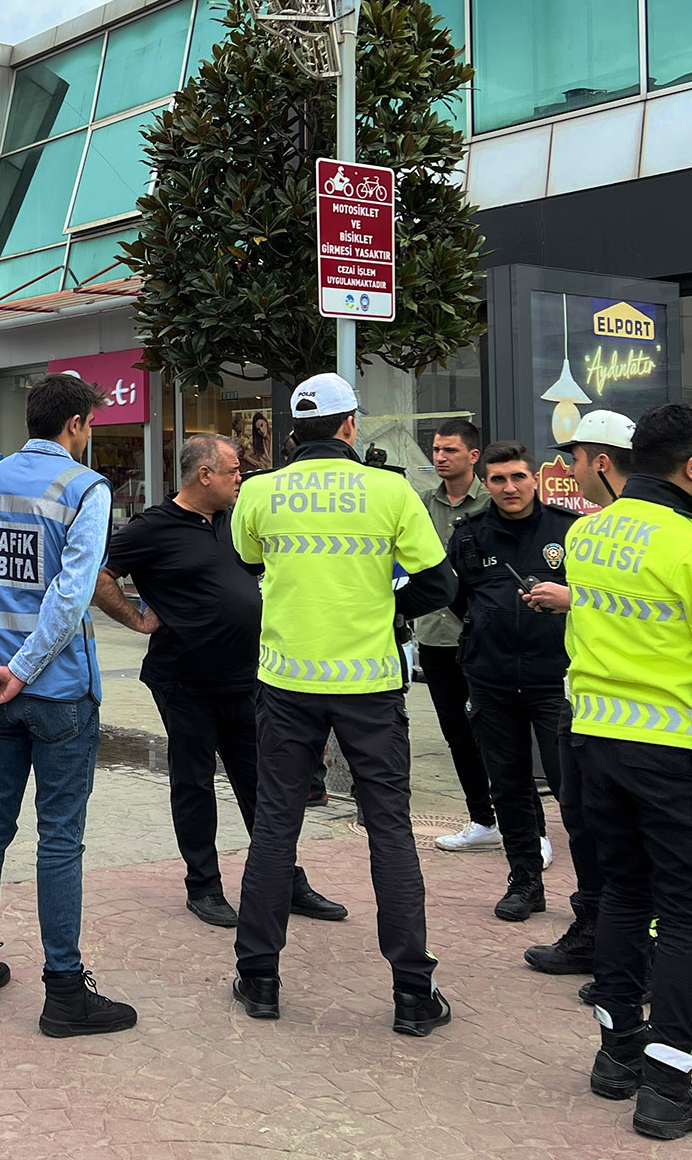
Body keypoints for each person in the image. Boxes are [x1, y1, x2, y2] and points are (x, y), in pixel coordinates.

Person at [556, 403, 692, 1140]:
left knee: (624, 892)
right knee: (688, 912)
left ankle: (617, 1056)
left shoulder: (588, 532)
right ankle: (668, 1087)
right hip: (675, 753)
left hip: (595, 744)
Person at [230, 372, 458, 1037]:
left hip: (286, 682)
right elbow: (439, 582)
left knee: (275, 825)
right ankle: (414, 992)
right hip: (370, 686)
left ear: (294, 432)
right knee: (388, 827)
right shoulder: (389, 490)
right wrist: (388, 610)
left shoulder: (260, 492)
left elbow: (247, 564)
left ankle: (261, 978)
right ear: (351, 425)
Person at [0, 373, 137, 1039]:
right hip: (53, 692)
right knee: (59, 837)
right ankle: (64, 989)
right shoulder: (86, 488)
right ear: (77, 424)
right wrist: (23, 671)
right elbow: (70, 593)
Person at [94, 433, 346, 929]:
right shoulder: (152, 526)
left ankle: (285, 879)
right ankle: (203, 885)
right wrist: (137, 620)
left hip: (247, 676)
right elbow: (100, 577)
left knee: (263, 783)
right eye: (233, 471)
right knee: (194, 782)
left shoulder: (238, 521)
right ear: (203, 474)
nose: (239, 479)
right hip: (184, 679)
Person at [446, 441, 579, 924]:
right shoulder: (469, 534)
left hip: (554, 680)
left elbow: (593, 597)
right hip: (491, 678)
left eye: (518, 477)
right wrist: (491, 623)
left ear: (535, 479)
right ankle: (525, 881)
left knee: (573, 788)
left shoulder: (569, 530)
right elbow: (457, 598)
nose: (509, 487)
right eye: (498, 479)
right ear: (485, 483)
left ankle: (592, 894)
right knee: (508, 786)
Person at [418, 420, 502, 856]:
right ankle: (482, 820)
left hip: (487, 638)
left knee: (499, 733)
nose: (439, 457)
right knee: (457, 734)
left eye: (449, 450)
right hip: (435, 636)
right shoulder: (420, 504)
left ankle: (528, 827)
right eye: (435, 449)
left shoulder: (494, 502)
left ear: (473, 456)